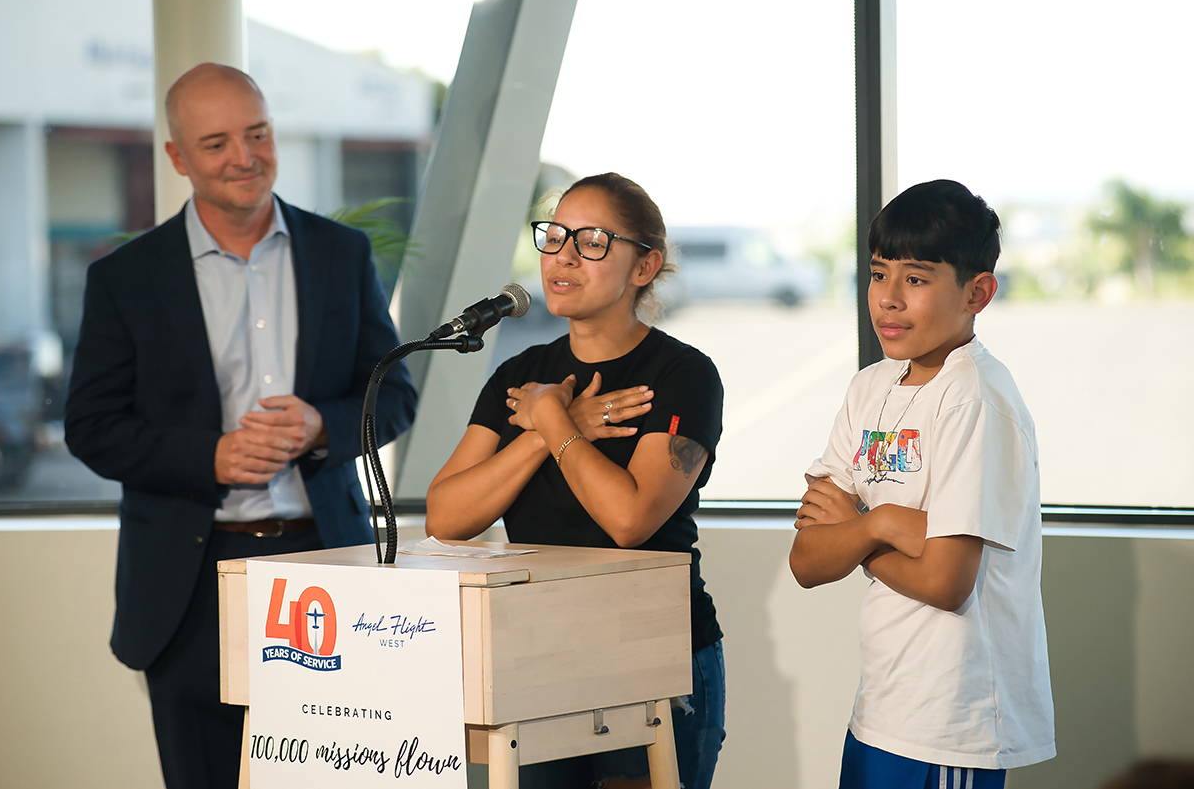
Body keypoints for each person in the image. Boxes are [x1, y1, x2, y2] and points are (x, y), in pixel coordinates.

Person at [64, 63, 417, 789]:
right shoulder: (125, 277)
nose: (245, 157)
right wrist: (214, 455)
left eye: (257, 134)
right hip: (190, 583)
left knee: (340, 779)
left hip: (328, 566)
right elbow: (91, 428)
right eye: (217, 142)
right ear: (178, 158)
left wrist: (325, 424)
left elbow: (396, 395)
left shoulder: (340, 254)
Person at [426, 173, 725, 789]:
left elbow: (629, 520)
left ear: (645, 265)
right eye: (555, 235)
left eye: (592, 241)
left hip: (652, 654)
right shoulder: (523, 374)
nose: (563, 255)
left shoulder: (682, 374)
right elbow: (446, 517)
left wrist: (552, 421)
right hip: (538, 655)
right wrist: (545, 431)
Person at [788, 180, 1055, 789]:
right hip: (881, 709)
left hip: (952, 725)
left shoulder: (974, 399)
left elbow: (945, 580)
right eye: (879, 275)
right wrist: (887, 527)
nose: (887, 300)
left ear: (978, 292)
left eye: (915, 279)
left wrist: (861, 525)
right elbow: (806, 558)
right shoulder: (870, 388)